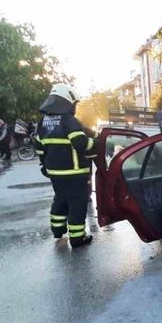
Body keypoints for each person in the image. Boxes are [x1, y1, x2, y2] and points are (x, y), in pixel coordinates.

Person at [35, 83, 97, 248]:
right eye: (74, 104)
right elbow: (80, 143)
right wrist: (95, 143)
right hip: (75, 172)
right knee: (77, 204)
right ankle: (77, 238)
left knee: (60, 199)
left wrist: (44, 165)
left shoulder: (44, 122)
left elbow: (39, 147)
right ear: (67, 102)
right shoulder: (69, 120)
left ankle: (57, 230)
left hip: (55, 173)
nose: (75, 107)